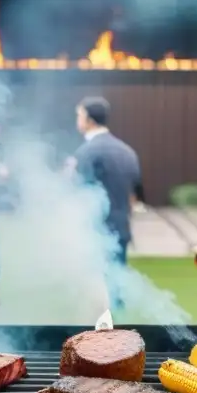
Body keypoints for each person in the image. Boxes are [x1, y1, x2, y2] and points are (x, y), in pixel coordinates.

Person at [69, 97, 141, 309]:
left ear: (89, 120)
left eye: (79, 115)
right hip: (121, 230)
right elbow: (133, 197)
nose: (78, 120)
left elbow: (79, 197)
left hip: (96, 235)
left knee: (96, 299)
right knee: (116, 294)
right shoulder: (128, 151)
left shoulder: (86, 153)